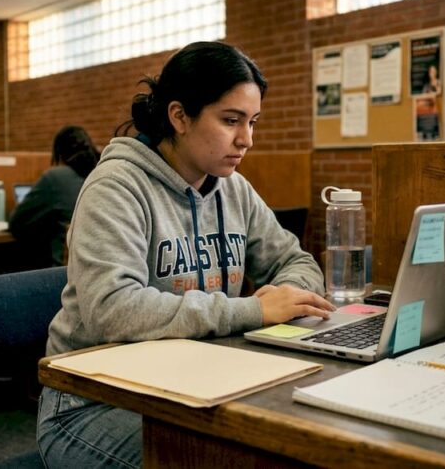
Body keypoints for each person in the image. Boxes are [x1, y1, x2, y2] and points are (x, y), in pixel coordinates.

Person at [36, 41, 335, 468]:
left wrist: (289, 298)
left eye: (253, 122)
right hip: (91, 403)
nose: (246, 139)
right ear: (179, 116)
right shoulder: (116, 187)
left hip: (195, 387)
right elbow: (114, 309)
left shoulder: (232, 188)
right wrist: (251, 310)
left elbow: (298, 262)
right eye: (231, 120)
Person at [8, 125, 99, 268]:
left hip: (62, 279)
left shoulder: (55, 178)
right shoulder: (101, 174)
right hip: (98, 275)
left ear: (60, 154)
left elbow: (16, 224)